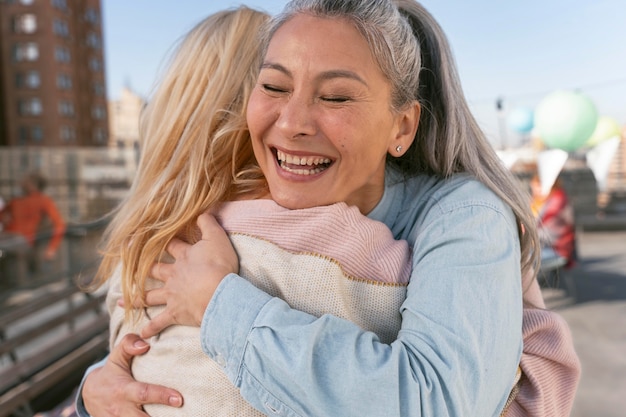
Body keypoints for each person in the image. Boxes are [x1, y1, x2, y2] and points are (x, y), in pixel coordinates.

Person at [79, 1, 580, 416]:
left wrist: (220, 304)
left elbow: (439, 401)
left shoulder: (462, 216)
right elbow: (144, 355)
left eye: (336, 97)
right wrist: (92, 391)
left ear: (402, 127)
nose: (292, 121)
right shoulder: (224, 235)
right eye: (273, 86)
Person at [0, 171, 66, 262]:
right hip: (8, 238)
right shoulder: (17, 200)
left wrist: (51, 248)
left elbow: (59, 224)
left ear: (33, 184)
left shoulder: (43, 200)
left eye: (26, 181)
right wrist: (4, 219)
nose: (22, 183)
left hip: (21, 241)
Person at [530, 171, 577, 269]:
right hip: (542, 245)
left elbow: (550, 229)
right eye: (533, 187)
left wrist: (527, 237)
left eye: (538, 186)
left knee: (524, 261)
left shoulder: (558, 200)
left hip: (557, 247)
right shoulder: (537, 201)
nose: (535, 190)